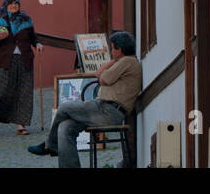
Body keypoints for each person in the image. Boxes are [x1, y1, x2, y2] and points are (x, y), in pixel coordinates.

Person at [28, 30, 140, 167]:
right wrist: (114, 60)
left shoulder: (127, 61)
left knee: (64, 108)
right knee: (65, 127)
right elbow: (98, 73)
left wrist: (114, 61)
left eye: (112, 48)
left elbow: (103, 79)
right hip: (102, 109)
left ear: (120, 49)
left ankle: (50, 145)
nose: (111, 51)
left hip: (108, 111)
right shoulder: (123, 62)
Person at [0, 0, 42, 135]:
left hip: (25, 60)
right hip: (6, 61)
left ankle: (21, 125)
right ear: (6, 5)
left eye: (16, 3)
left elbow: (33, 37)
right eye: (11, 4)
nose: (14, 6)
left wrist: (38, 44)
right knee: (2, 90)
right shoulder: (0, 21)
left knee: (24, 92)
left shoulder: (26, 20)